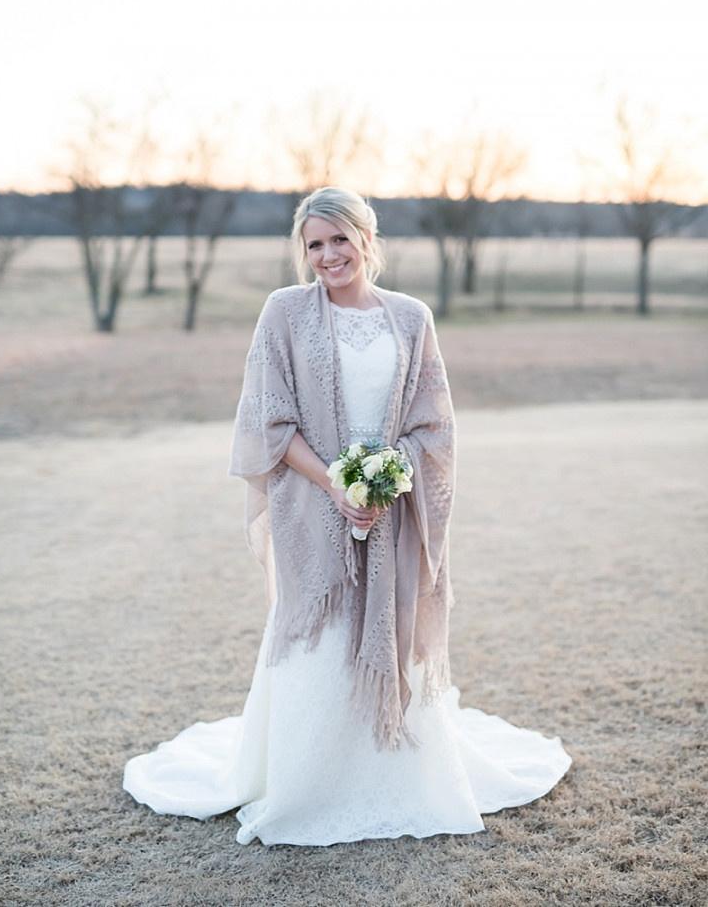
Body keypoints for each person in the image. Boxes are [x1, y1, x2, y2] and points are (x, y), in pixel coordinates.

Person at [123, 186, 571, 846]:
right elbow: (269, 420)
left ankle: (394, 774)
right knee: (318, 643)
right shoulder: (284, 313)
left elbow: (433, 426)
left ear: (367, 238)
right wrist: (336, 485)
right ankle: (309, 783)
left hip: (390, 508)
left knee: (388, 628)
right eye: (314, 244)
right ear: (302, 253)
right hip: (310, 506)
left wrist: (386, 480)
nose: (328, 255)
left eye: (339, 239)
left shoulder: (412, 318)